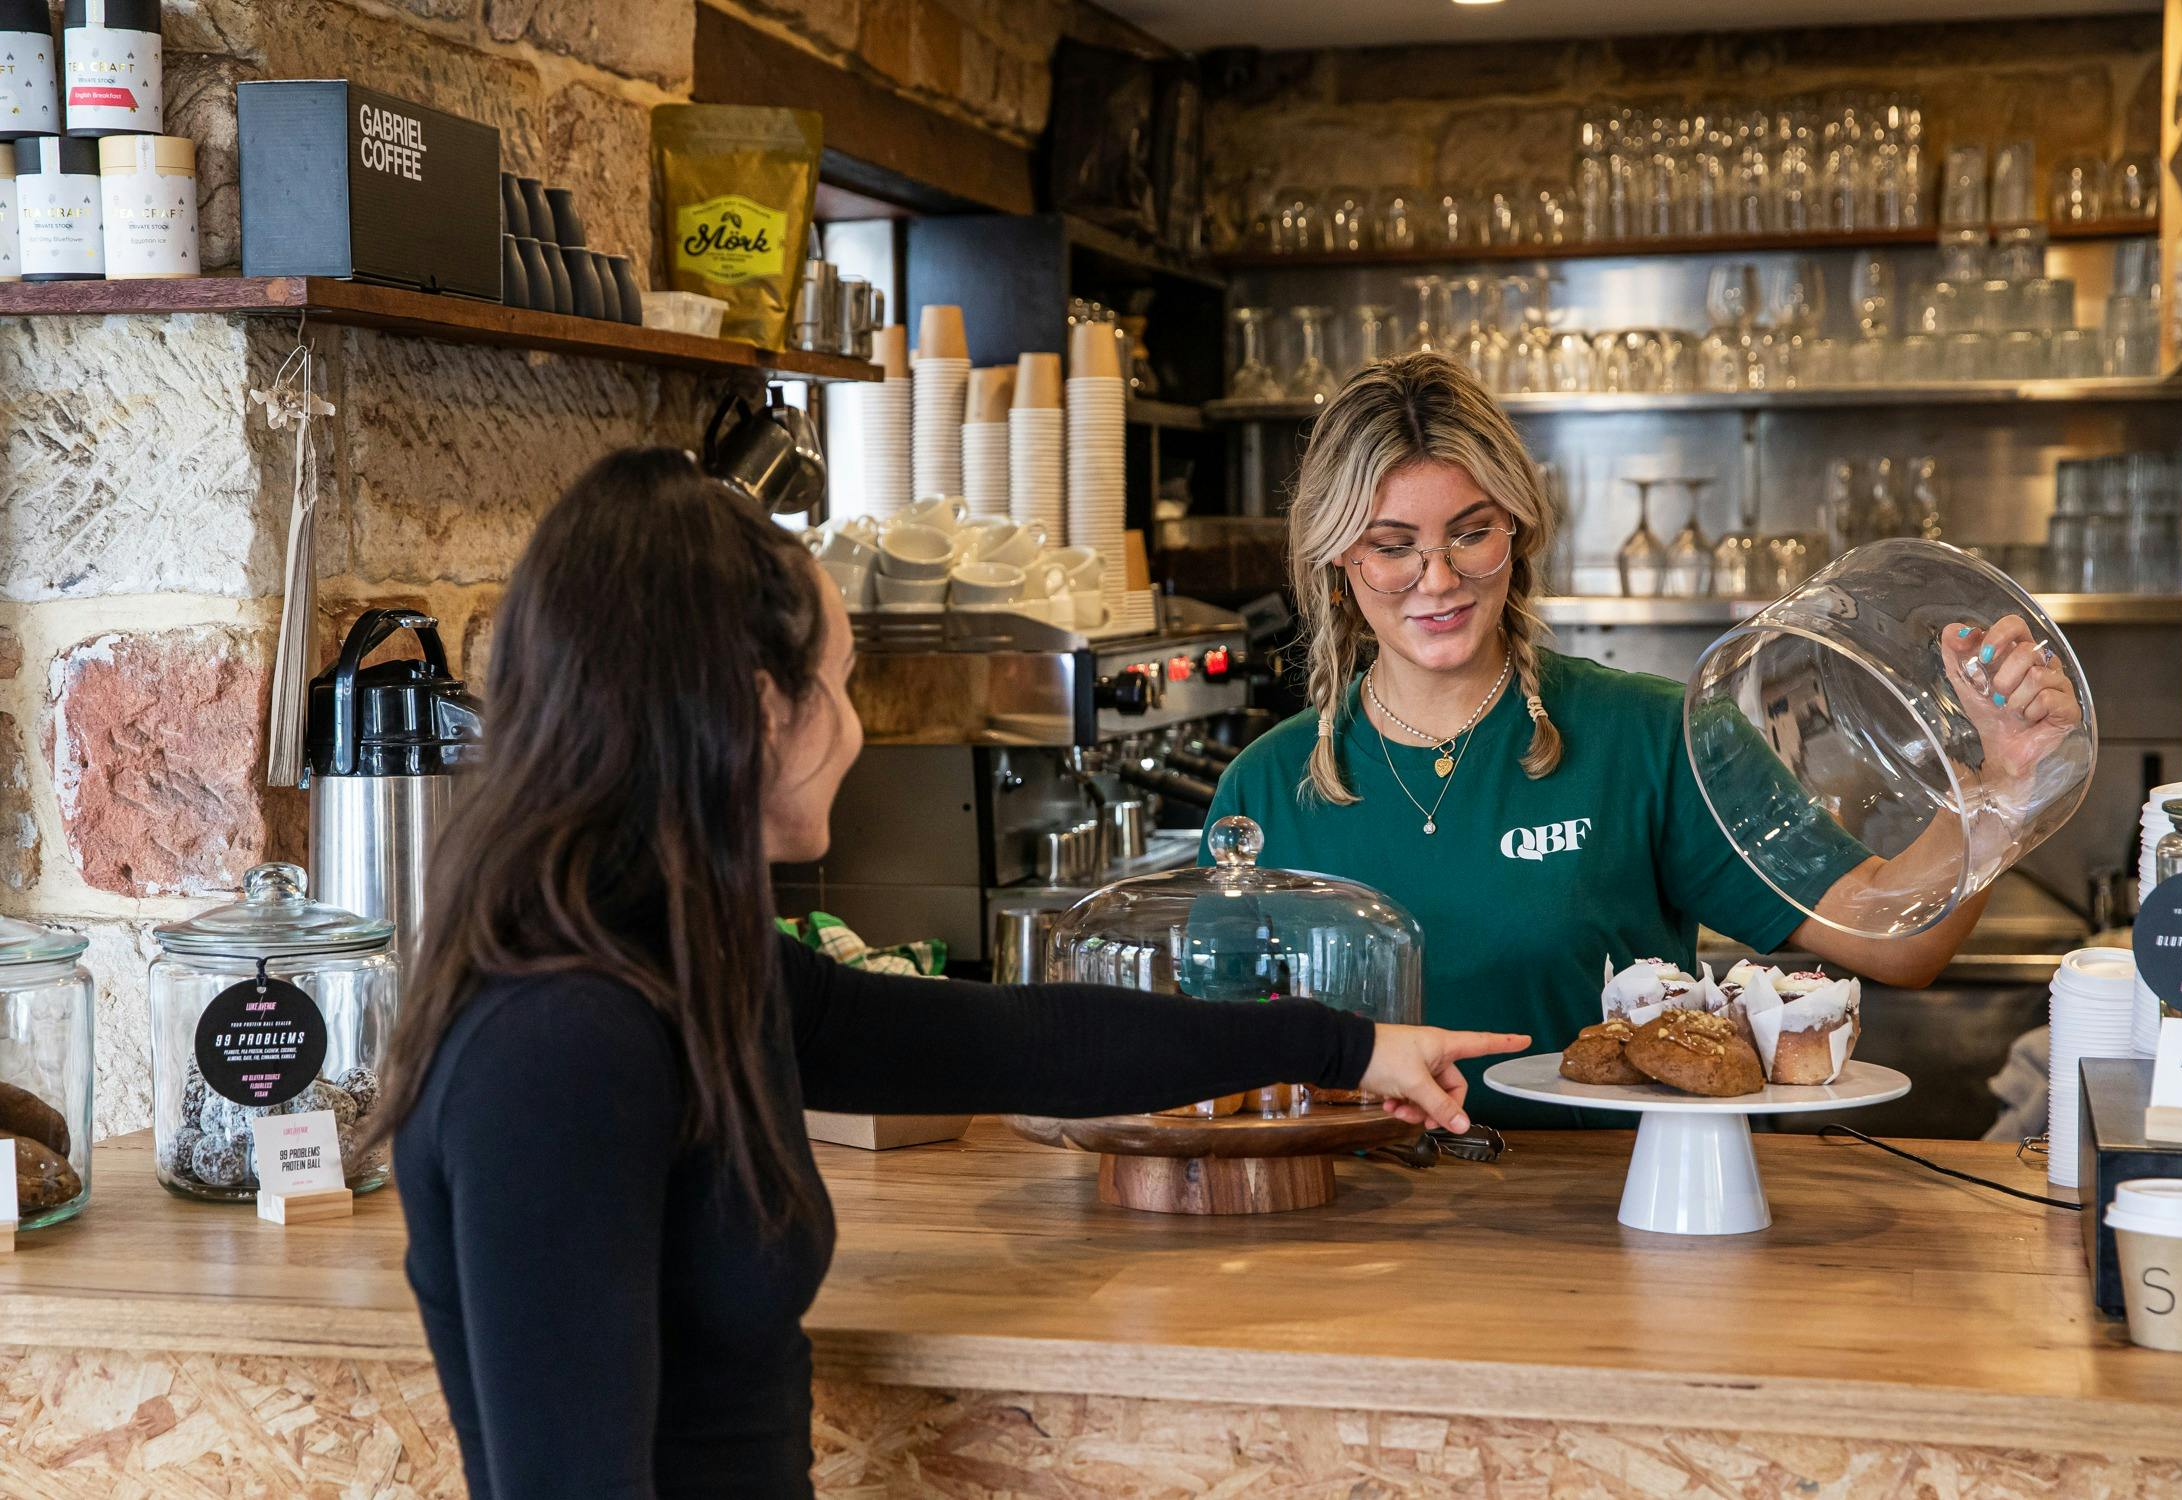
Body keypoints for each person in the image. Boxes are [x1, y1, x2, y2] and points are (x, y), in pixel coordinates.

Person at [368, 447, 1525, 1500]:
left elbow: (1031, 1045)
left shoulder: (685, 970)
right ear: (763, 710)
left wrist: (1349, 1048)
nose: (859, 733)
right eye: (843, 684)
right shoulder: (563, 1044)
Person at [1201, 352, 2080, 1126]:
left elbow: (1899, 940)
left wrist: (2000, 784)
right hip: (1347, 1238)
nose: (1439, 578)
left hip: (1614, 1228)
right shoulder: (1267, 789)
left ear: (1518, 529)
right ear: (1338, 565)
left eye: (1470, 533)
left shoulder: (1655, 736)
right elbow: (1222, 1074)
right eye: (1392, 547)